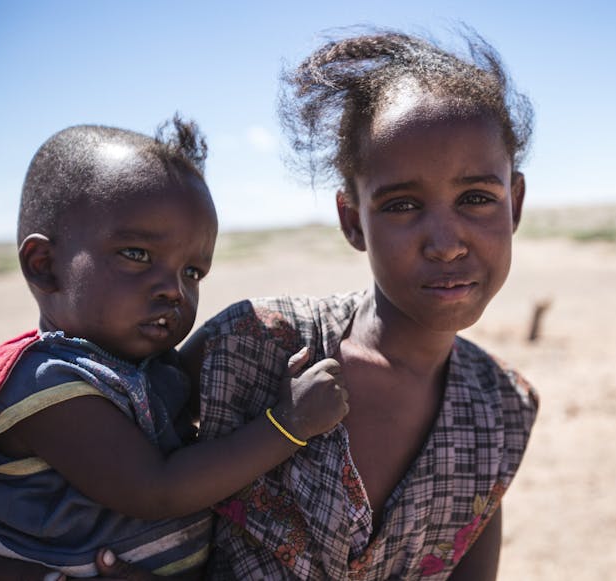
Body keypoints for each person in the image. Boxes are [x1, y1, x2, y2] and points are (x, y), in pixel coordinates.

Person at [183, 28, 539, 580]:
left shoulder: (498, 410)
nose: (446, 243)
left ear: (513, 203)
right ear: (353, 220)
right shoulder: (251, 348)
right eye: (402, 204)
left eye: (476, 198)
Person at [0, 118, 349, 579]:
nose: (174, 291)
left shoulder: (144, 367)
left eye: (192, 271)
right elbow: (158, 491)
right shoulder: (48, 386)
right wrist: (287, 424)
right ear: (45, 266)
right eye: (138, 255)